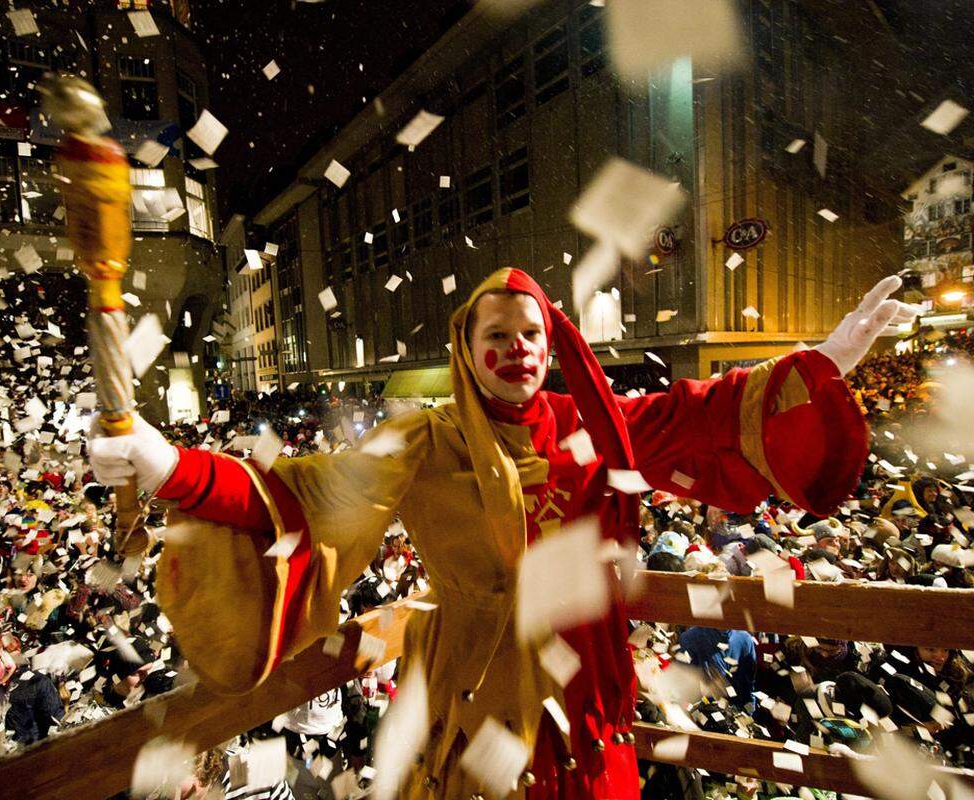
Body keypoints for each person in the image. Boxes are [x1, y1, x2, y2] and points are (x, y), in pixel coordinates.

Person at [89, 269, 914, 800]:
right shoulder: (425, 439)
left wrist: (823, 361)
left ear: (550, 346)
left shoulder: (593, 422)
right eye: (497, 336)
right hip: (476, 681)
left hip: (586, 681)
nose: (516, 350)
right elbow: (304, 495)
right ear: (467, 349)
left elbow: (700, 413)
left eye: (530, 334)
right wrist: (171, 469)